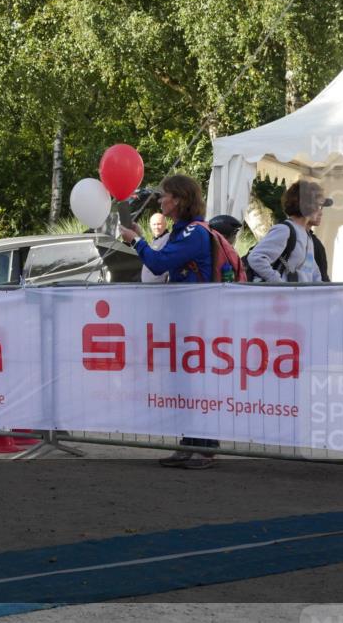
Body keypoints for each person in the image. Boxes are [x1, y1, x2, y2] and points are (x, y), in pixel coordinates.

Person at [119, 174, 218, 469]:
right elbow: (161, 259)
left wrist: (136, 241)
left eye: (165, 196)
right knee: (183, 384)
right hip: (184, 320)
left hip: (196, 321)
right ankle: (189, 444)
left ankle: (204, 449)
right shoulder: (182, 231)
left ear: (179, 199)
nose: (160, 201)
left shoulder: (194, 233)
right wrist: (142, 239)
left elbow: (159, 263)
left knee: (196, 384)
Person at [247, 181, 331, 283]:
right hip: (281, 298)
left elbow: (311, 271)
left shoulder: (307, 236)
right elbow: (256, 258)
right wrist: (280, 284)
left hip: (298, 297)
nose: (321, 212)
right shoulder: (284, 230)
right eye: (319, 206)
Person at [140, 213, 170, 283]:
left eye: (159, 224)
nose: (156, 227)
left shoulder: (169, 238)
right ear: (150, 225)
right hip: (149, 288)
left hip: (159, 287)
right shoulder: (154, 240)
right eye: (154, 224)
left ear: (165, 224)